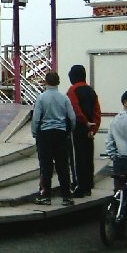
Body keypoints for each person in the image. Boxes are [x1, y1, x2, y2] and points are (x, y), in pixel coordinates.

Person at [32, 71, 76, 206]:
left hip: (45, 134)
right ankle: (66, 196)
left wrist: (35, 132)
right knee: (63, 165)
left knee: (46, 165)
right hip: (61, 133)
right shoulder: (64, 98)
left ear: (46, 82)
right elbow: (72, 117)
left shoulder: (41, 98)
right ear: (58, 82)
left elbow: (36, 118)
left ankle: (46, 196)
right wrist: (69, 130)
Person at [66, 64, 101, 197]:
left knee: (78, 158)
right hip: (89, 130)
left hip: (78, 128)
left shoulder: (72, 90)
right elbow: (97, 111)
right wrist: (93, 128)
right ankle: (88, 186)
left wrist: (84, 122)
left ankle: (79, 187)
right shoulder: (91, 90)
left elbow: (74, 108)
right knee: (88, 157)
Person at [105, 90, 127, 237]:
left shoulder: (116, 118)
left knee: (119, 190)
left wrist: (112, 153)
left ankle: (118, 229)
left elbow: (109, 139)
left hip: (118, 160)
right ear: (125, 102)